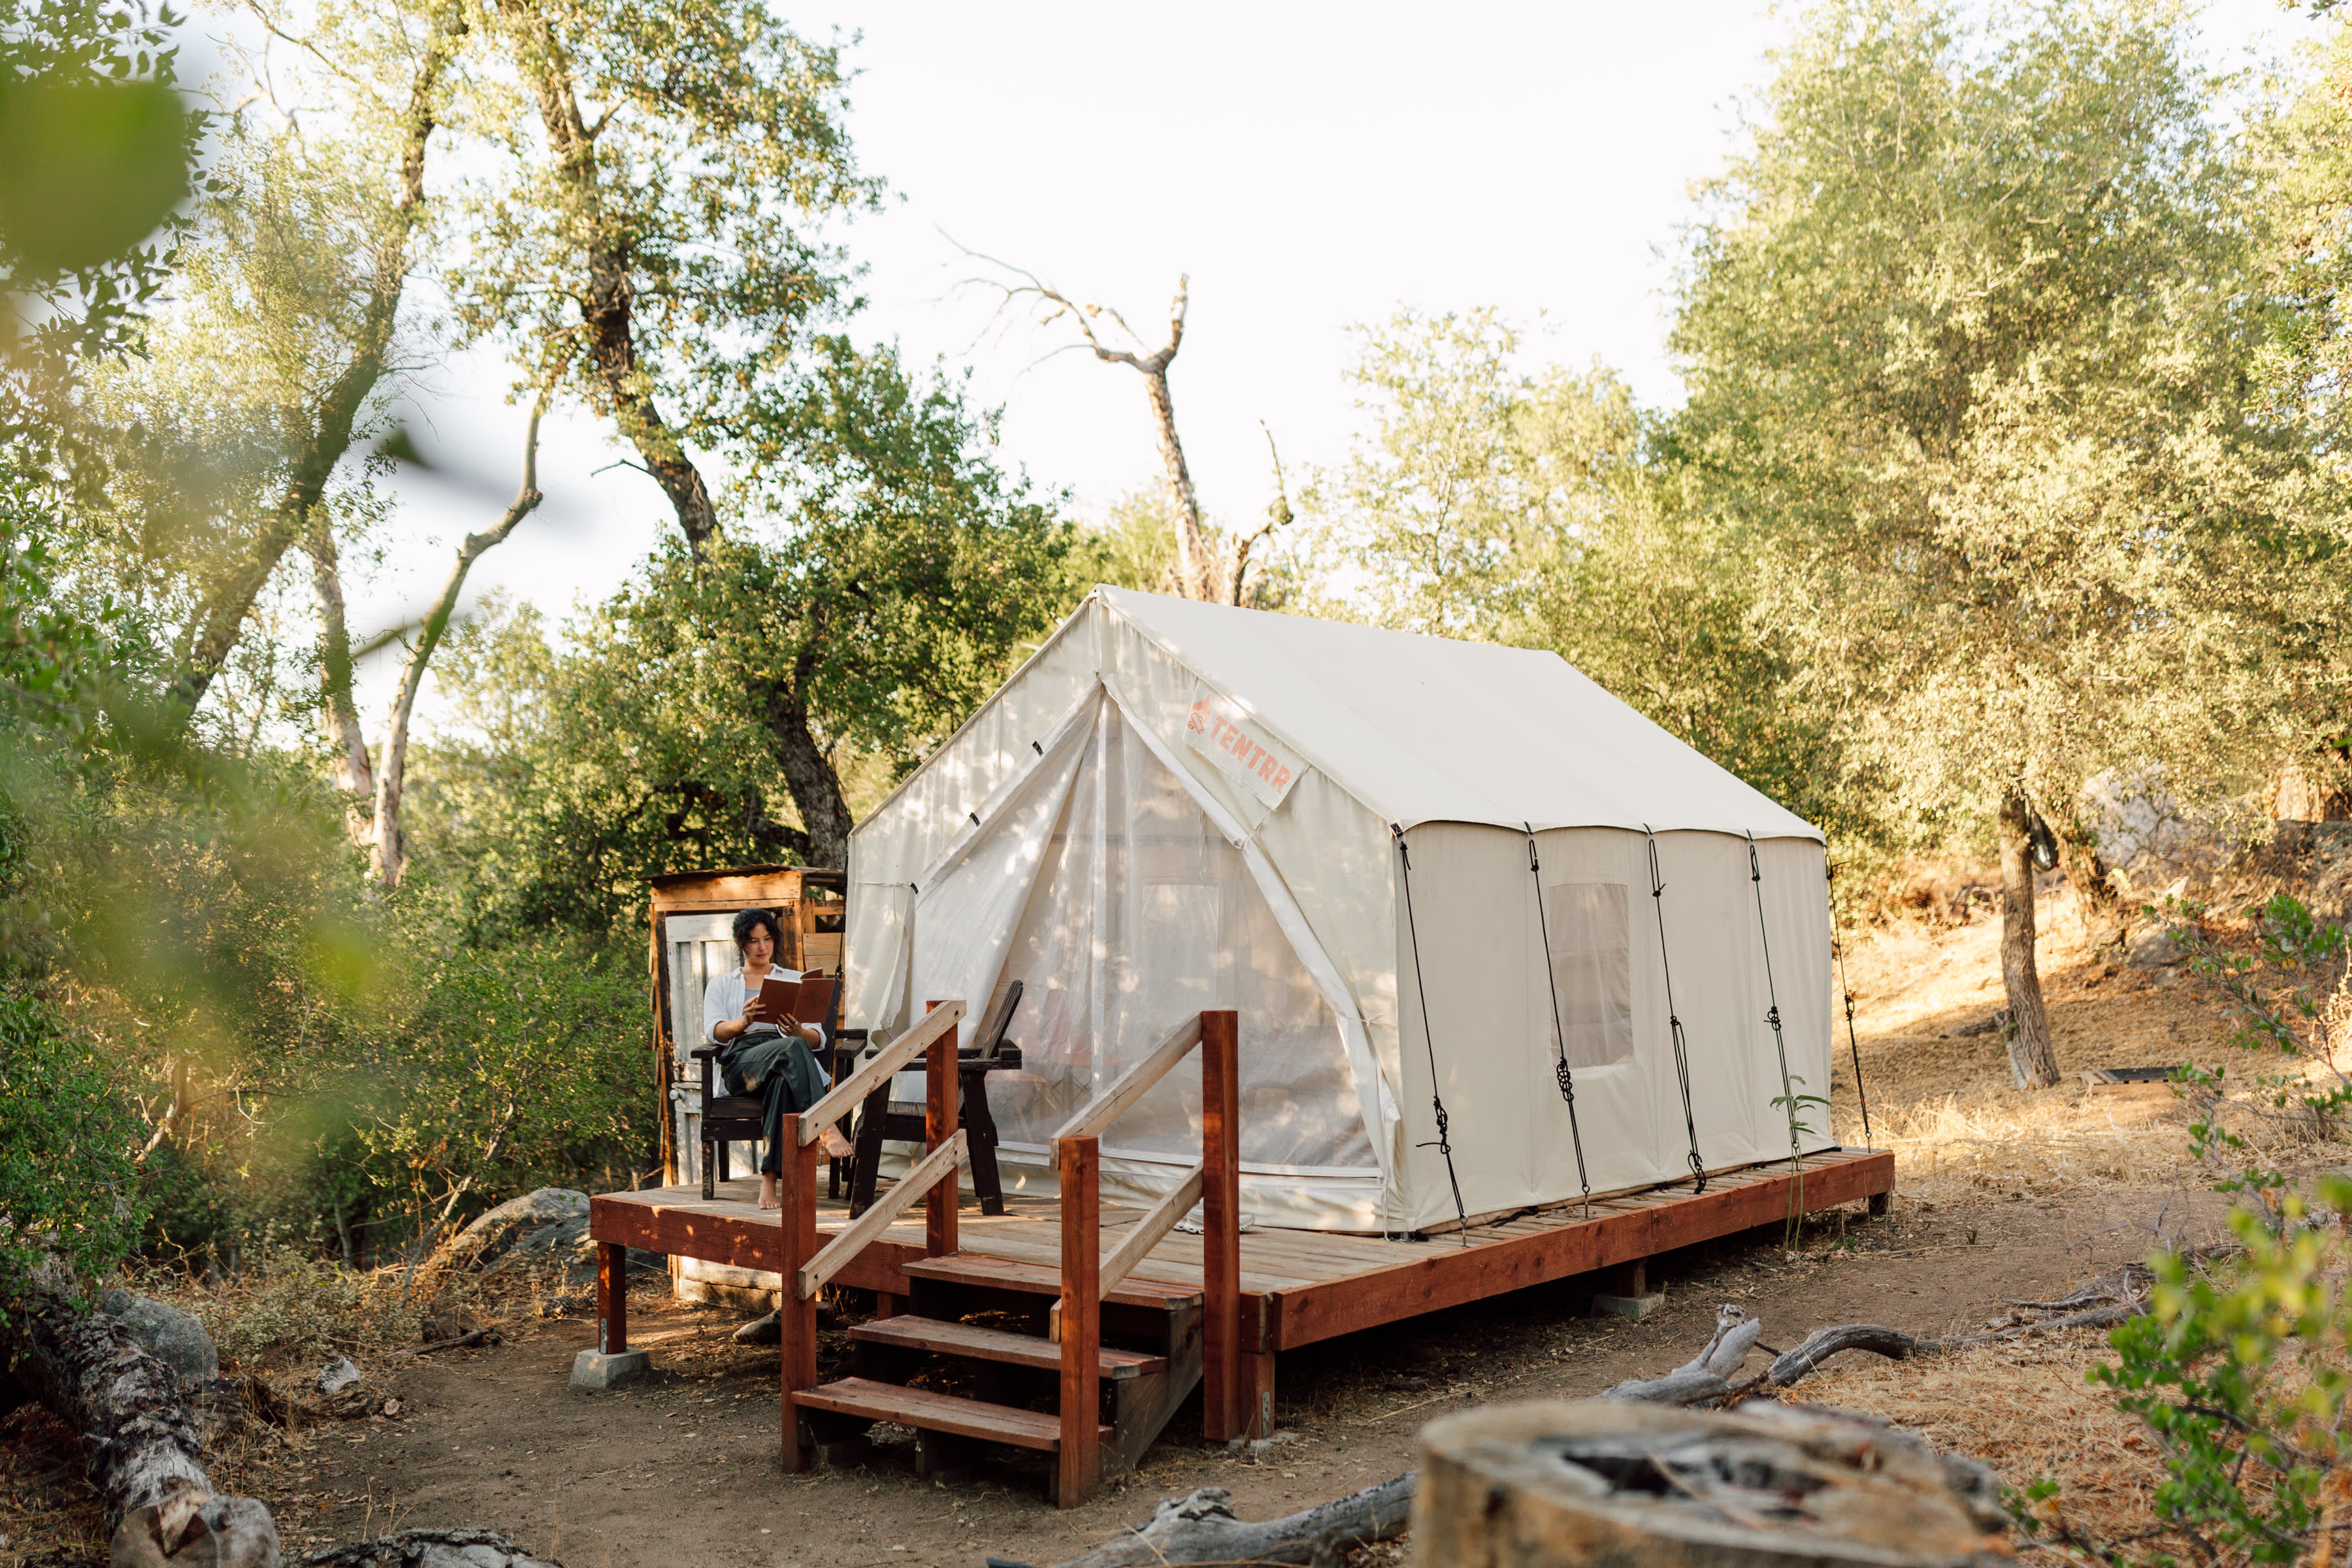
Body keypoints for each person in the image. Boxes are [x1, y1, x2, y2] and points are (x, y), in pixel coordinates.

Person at [704, 907, 853, 1209]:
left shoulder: (795, 980)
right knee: (792, 1050)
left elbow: (817, 1038)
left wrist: (797, 1030)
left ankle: (769, 1182)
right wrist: (744, 1021)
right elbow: (714, 1032)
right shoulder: (721, 984)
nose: (762, 947)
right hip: (743, 1063)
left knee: (785, 1076)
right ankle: (825, 1124)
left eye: (768, 939)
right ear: (741, 944)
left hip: (785, 1055)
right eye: (754, 941)